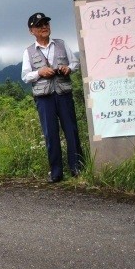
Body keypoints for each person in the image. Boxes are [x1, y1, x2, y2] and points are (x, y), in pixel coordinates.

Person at [20, 12, 83, 182]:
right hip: (44, 98)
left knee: (71, 130)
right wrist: (40, 72)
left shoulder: (62, 44)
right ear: (31, 30)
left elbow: (75, 63)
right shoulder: (28, 51)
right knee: (51, 134)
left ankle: (77, 168)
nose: (44, 27)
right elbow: (25, 76)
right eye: (39, 25)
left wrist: (68, 68)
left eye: (46, 23)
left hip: (63, 93)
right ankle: (56, 173)